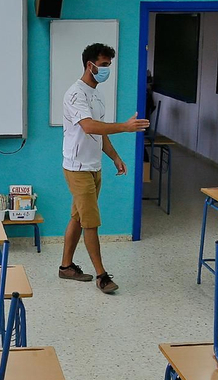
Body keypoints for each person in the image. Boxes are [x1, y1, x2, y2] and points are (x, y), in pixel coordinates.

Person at [58, 42, 150, 295]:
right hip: (77, 167)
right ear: (91, 65)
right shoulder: (75, 93)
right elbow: (88, 126)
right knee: (90, 222)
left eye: (109, 64)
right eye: (105, 65)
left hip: (93, 165)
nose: (107, 69)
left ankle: (66, 267)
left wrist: (115, 157)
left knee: (78, 217)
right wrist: (125, 127)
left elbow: (99, 131)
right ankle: (101, 276)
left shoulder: (97, 94)